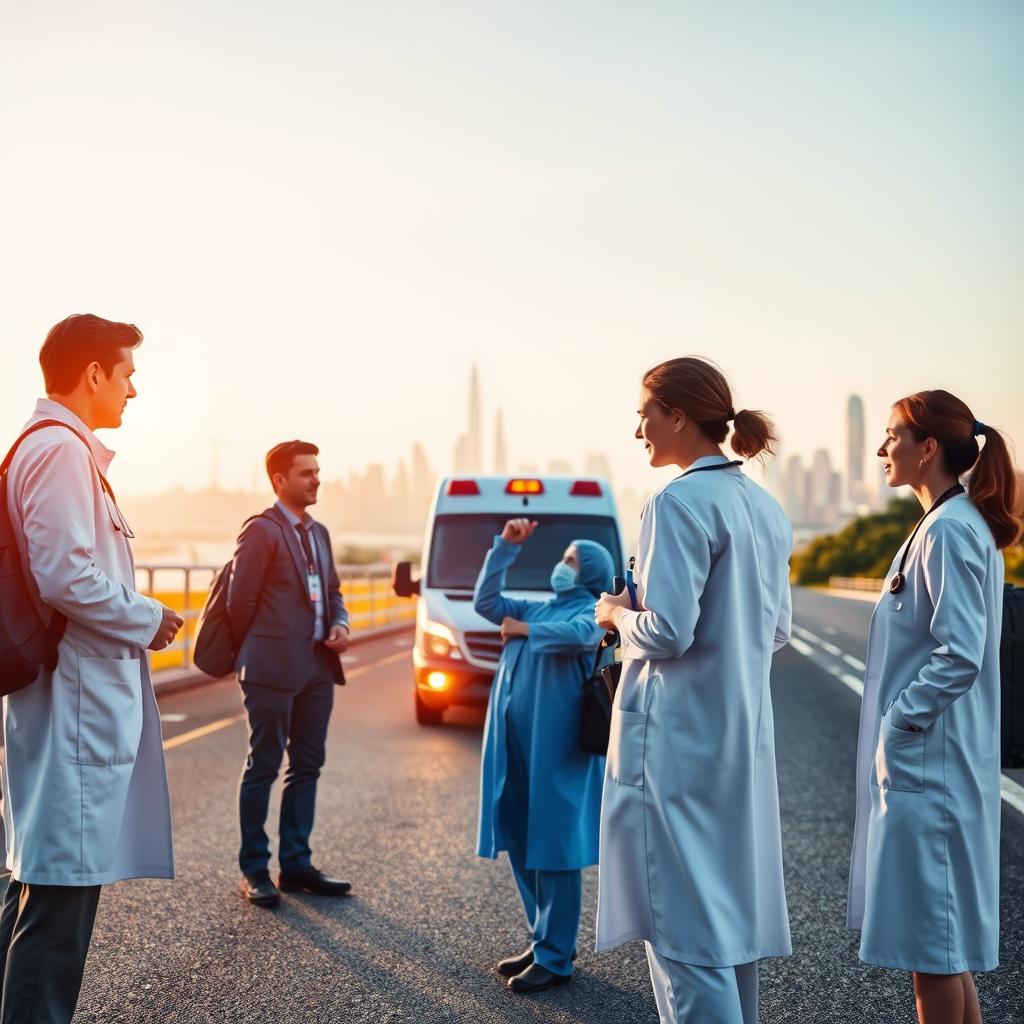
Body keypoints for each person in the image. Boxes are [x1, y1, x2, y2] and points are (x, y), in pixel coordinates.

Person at [594, 356, 792, 1024]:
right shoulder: (762, 507)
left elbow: (669, 632)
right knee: (729, 928)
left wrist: (615, 614)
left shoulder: (675, 504)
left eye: (645, 414)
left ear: (678, 414)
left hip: (674, 747)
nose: (638, 430)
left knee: (683, 940)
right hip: (737, 738)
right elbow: (778, 629)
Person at [0, 314, 183, 1024]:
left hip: (73, 708)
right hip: (73, 711)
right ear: (94, 374)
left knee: (40, 898)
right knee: (55, 917)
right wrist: (147, 615)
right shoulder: (59, 453)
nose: (134, 389)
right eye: (127, 373)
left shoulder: (57, 449)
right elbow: (65, 575)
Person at [847, 391, 1021, 1024]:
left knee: (934, 954)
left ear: (928, 448)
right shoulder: (944, 524)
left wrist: (900, 719)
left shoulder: (949, 529)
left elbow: (960, 654)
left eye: (892, 435)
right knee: (941, 950)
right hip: (935, 766)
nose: (881, 447)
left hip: (934, 770)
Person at [474, 518, 614, 994]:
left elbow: (579, 637)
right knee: (520, 838)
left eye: (571, 560)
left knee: (554, 849)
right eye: (563, 558)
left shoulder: (591, 613)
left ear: (589, 571)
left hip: (559, 752)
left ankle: (556, 956)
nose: (561, 565)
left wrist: (523, 629)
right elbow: (487, 603)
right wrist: (506, 550)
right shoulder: (541, 606)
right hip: (514, 749)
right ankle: (545, 941)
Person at [228, 440, 352, 908]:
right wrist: (265, 647)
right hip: (271, 669)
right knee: (263, 765)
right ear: (280, 480)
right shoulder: (261, 531)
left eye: (318, 471)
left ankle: (296, 865)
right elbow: (240, 603)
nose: (316, 479)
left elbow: (334, 591)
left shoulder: (318, 532)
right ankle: (254, 869)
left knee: (307, 766)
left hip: (318, 667)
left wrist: (339, 622)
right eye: (306, 473)